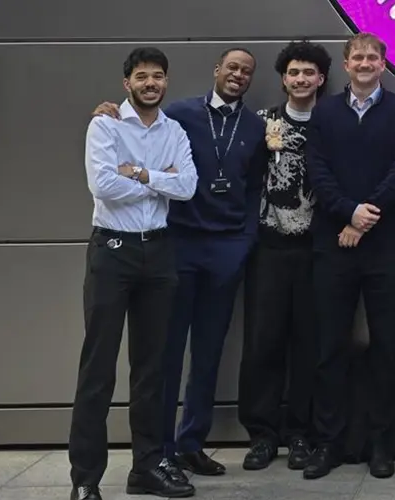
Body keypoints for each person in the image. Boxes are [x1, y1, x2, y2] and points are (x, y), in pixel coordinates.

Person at [91, 47, 266, 479]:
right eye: (231, 68)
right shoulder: (182, 113)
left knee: (208, 353)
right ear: (216, 71)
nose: (238, 75)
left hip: (227, 251)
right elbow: (141, 126)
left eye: (246, 71)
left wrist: (244, 241)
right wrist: (108, 112)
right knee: (166, 354)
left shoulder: (257, 126)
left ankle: (191, 443)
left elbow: (252, 189)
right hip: (179, 248)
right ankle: (161, 449)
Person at [69, 46, 198, 500]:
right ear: (127, 83)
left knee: (152, 369)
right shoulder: (104, 124)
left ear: (166, 82)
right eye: (142, 76)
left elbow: (187, 187)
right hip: (113, 253)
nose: (151, 83)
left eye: (158, 76)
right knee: (98, 369)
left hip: (159, 254)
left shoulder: (175, 130)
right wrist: (159, 177)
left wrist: (140, 173)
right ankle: (85, 479)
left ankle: (146, 467)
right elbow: (102, 184)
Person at [302, 32, 395, 481]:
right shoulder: (325, 112)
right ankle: (329, 442)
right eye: (358, 57)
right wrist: (348, 212)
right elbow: (318, 170)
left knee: (385, 347)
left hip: (386, 246)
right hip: (334, 246)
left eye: (373, 56)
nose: (366, 63)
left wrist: (363, 215)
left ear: (384, 64)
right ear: (346, 65)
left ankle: (380, 442)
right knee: (330, 345)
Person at [238, 39, 331, 472]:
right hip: (270, 248)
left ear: (322, 79)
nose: (300, 79)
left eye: (308, 72)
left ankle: (300, 433)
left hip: (317, 250)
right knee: (263, 341)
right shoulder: (262, 122)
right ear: (283, 78)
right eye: (294, 72)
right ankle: (262, 433)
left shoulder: (332, 123)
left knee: (309, 344)